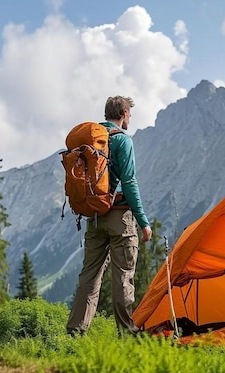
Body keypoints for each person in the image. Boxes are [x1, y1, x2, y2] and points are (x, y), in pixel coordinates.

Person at [66, 95, 152, 337]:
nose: (130, 119)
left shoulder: (91, 140)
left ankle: (75, 331)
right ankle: (126, 333)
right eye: (130, 115)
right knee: (123, 276)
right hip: (119, 218)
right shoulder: (123, 140)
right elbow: (130, 181)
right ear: (123, 114)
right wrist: (143, 221)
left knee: (89, 275)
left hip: (94, 216)